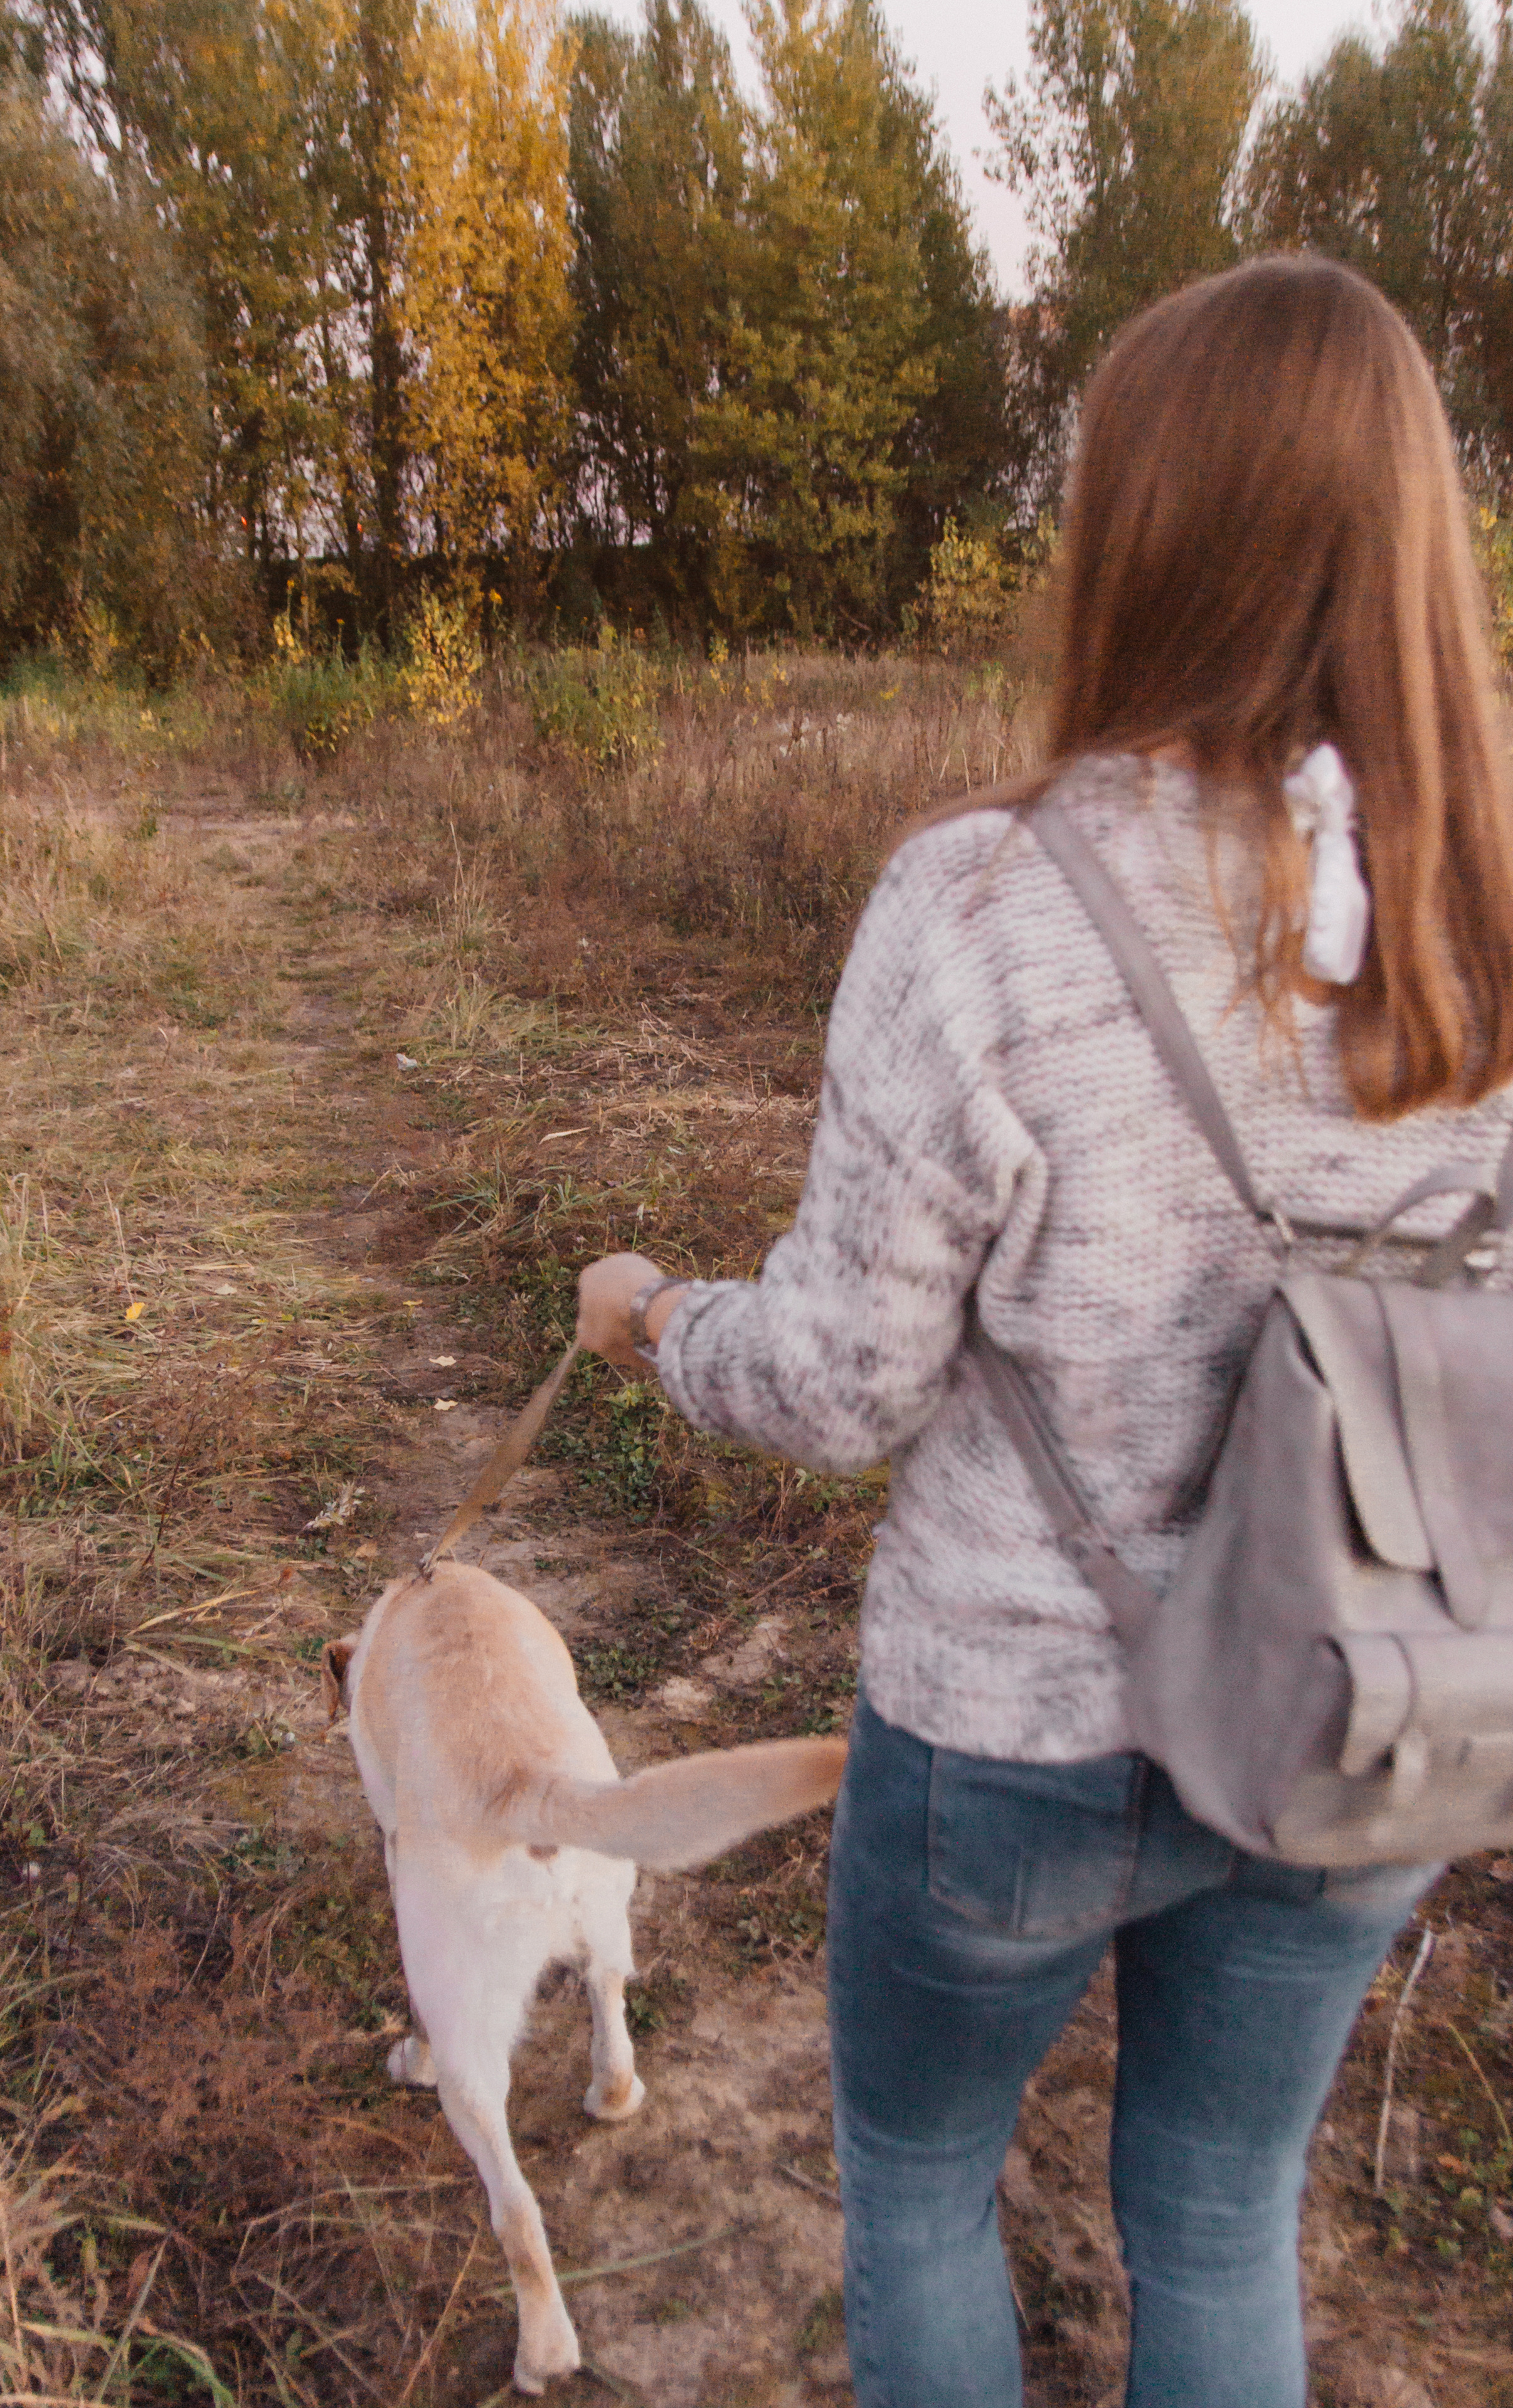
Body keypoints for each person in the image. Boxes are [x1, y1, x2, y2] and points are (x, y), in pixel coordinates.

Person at [575, 255, 1513, 2408]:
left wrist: (660, 1322)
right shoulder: (1482, 918)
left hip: (1012, 1726)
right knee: (1215, 2208)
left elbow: (838, 1378)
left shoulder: (986, 907)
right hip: (1373, 1699)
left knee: (915, 2180)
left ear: (1139, 533)